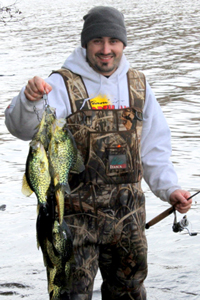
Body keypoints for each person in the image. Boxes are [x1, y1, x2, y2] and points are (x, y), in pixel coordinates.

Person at [5, 6, 192, 300]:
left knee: (130, 295)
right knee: (69, 295)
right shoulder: (60, 85)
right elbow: (24, 129)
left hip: (128, 220)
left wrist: (170, 189)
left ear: (123, 44)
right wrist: (28, 100)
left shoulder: (139, 87)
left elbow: (155, 150)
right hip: (73, 223)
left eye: (113, 41)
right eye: (97, 41)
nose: (106, 50)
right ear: (85, 43)